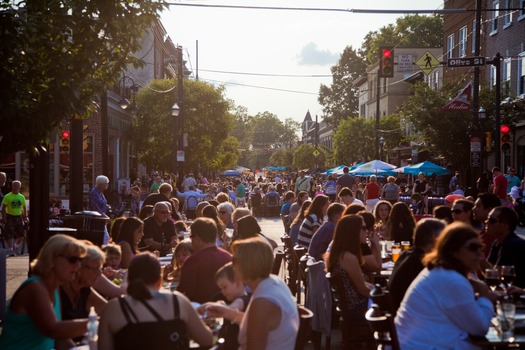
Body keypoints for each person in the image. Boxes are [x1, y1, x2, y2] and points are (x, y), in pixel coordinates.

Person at [395, 223, 496, 349]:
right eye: (473, 247)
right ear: (453, 251)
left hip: (416, 343)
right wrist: (485, 297)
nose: (479, 254)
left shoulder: (439, 271)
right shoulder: (452, 280)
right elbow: (479, 328)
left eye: (480, 247)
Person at [98, 252, 214, 349]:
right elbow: (208, 340)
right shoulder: (178, 301)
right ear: (159, 281)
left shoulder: (113, 308)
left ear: (129, 280)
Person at [203, 237, 299, 350]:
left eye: (235, 261)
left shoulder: (263, 302)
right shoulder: (274, 283)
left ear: (247, 265)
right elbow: (259, 325)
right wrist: (227, 313)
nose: (232, 265)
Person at [0, 234, 89, 349]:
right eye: (73, 260)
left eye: (80, 260)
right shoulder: (35, 287)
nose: (78, 266)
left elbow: (59, 339)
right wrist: (96, 323)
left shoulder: (54, 288)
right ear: (52, 259)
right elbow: (53, 330)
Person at [325, 215, 374, 346]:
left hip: (350, 307)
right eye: (363, 228)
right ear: (353, 232)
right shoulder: (348, 257)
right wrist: (384, 296)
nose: (367, 231)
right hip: (356, 308)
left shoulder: (341, 253)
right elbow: (363, 290)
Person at [387, 218, 446, 314]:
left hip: (402, 316)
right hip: (413, 321)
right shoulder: (423, 262)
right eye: (443, 237)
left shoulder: (408, 254)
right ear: (433, 239)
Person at [60, 243, 107, 345]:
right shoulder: (59, 290)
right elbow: (57, 336)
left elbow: (108, 310)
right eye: (95, 268)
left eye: (100, 268)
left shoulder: (84, 290)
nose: (99, 274)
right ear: (79, 267)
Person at [177, 218, 232, 303]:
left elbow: (183, 293)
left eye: (191, 236)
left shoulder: (193, 261)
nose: (191, 241)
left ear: (197, 238)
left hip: (201, 310)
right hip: (226, 309)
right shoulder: (229, 257)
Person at [200, 263, 251, 350]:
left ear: (238, 283)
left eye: (225, 287)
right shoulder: (229, 299)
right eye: (221, 288)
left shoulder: (244, 300)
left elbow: (234, 307)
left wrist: (222, 308)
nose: (222, 292)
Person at [486, 206, 525, 287]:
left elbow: (497, 277)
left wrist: (478, 257)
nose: (486, 222)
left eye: (492, 220)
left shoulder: (513, 245)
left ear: (505, 226)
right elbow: (488, 271)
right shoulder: (497, 242)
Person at [1, 180, 28, 256]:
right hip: (10, 216)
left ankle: (15, 246)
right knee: (9, 235)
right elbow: (3, 208)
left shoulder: (21, 196)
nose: (15, 188)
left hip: (18, 217)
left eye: (16, 186)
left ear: (19, 187)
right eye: (14, 186)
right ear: (12, 186)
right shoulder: (7, 196)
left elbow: (24, 207)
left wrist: (25, 217)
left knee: (21, 235)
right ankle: (11, 250)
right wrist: (4, 218)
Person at [88, 175, 110, 245]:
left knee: (104, 236)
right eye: (106, 183)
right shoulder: (94, 193)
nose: (107, 185)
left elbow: (100, 203)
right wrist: (103, 215)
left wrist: (106, 206)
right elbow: (94, 206)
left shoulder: (101, 192)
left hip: (101, 218)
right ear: (100, 184)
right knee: (105, 237)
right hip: (97, 218)